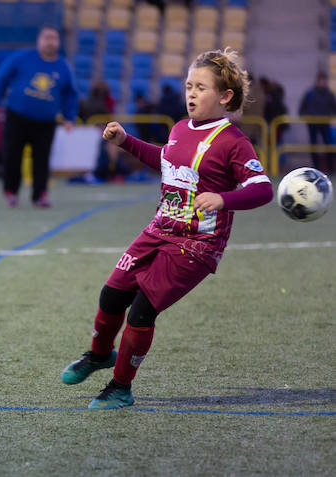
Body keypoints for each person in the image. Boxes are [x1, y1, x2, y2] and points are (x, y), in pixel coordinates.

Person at [60, 48, 273, 409]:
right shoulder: (179, 128)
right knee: (112, 294)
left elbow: (263, 189)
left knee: (141, 312)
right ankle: (99, 355)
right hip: (159, 229)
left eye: (201, 88)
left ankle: (121, 388)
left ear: (225, 97)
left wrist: (224, 199)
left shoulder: (234, 141)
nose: (191, 94)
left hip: (198, 244)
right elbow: (163, 159)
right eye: (189, 85)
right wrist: (125, 141)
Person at [0, 26, 78, 209]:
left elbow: (70, 93)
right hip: (17, 116)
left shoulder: (63, 67)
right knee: (12, 155)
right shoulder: (22, 58)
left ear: (58, 42)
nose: (50, 42)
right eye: (46, 38)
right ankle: (11, 192)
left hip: (45, 122)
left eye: (54, 38)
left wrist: (69, 117)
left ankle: (40, 195)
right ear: (39, 40)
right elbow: (1, 77)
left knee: (42, 159)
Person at [298, 72, 336, 174]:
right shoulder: (310, 93)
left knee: (328, 144)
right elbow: (302, 107)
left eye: (324, 81)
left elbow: (333, 107)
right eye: (321, 81)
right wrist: (305, 116)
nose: (323, 83)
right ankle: (316, 168)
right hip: (312, 123)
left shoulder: (329, 94)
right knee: (313, 145)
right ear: (318, 81)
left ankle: (331, 168)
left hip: (325, 123)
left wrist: (331, 116)